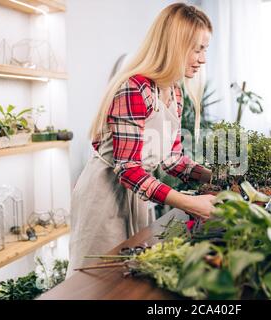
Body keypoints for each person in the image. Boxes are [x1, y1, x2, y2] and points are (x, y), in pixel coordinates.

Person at [67, 3, 215, 274]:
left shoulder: (174, 92)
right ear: (174, 45)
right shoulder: (134, 89)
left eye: (205, 49)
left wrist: (214, 178)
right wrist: (190, 202)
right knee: (99, 277)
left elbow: (172, 159)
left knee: (130, 272)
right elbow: (128, 170)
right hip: (105, 196)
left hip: (137, 195)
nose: (203, 59)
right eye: (197, 49)